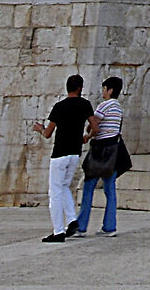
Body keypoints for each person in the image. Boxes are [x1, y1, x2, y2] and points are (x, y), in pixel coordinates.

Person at [32, 73, 95, 240]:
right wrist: (86, 137)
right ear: (80, 88)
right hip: (75, 153)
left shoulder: (59, 107)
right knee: (65, 186)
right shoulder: (85, 104)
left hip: (60, 153)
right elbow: (94, 126)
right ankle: (72, 219)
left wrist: (39, 128)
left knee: (55, 192)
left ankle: (58, 231)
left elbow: (47, 133)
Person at [76, 75, 129, 235]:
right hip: (114, 150)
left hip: (100, 150)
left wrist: (88, 134)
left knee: (88, 187)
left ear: (110, 90)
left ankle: (81, 226)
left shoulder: (104, 106)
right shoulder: (119, 108)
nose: (103, 92)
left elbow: (93, 125)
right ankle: (109, 226)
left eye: (104, 89)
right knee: (110, 189)